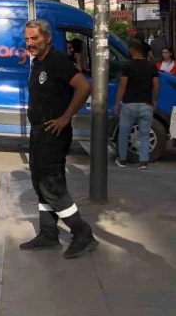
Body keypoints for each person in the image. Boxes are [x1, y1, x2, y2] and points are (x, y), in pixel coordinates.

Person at [21, 19, 98, 259]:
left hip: (53, 134)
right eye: (27, 39)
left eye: (34, 38)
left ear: (47, 38)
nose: (30, 43)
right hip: (39, 132)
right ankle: (48, 234)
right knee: (40, 183)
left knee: (52, 186)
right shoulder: (38, 62)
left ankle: (83, 234)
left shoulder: (58, 61)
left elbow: (84, 87)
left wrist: (65, 118)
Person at [115, 40, 160, 169]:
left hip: (129, 104)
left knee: (124, 134)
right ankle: (143, 162)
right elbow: (156, 86)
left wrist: (117, 103)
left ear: (132, 49)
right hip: (146, 104)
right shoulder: (151, 66)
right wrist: (154, 101)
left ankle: (122, 161)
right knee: (145, 134)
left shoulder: (127, 66)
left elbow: (123, 86)